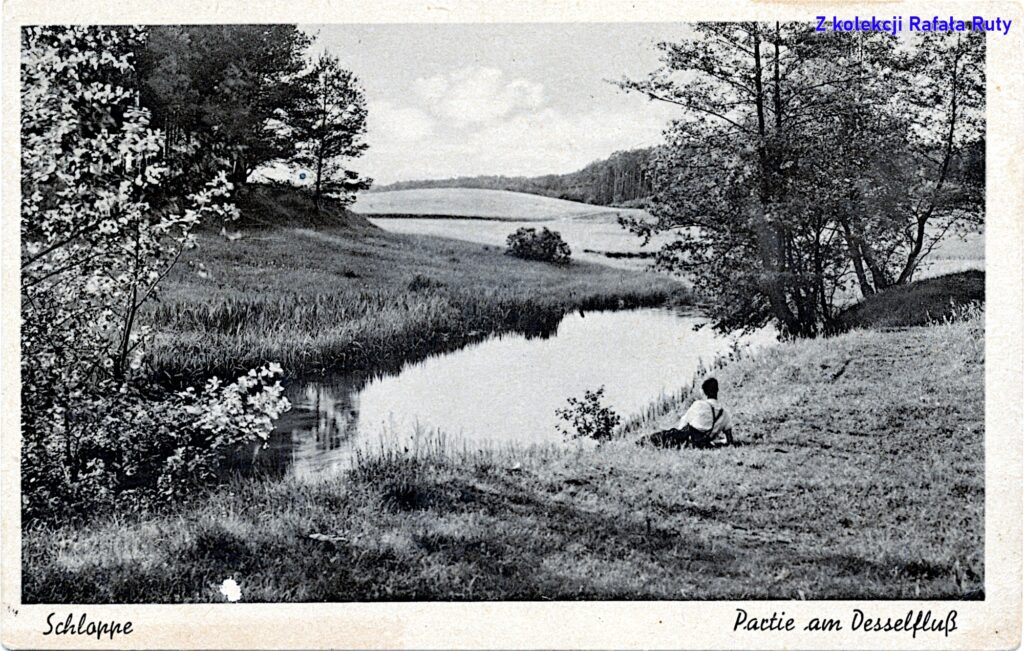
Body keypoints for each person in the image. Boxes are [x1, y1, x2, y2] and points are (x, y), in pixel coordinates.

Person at [643, 377, 734, 448]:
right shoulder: (724, 414)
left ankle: (641, 442)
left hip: (687, 436)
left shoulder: (699, 404)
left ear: (704, 393)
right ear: (717, 392)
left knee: (652, 439)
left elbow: (683, 423)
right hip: (703, 442)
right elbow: (729, 440)